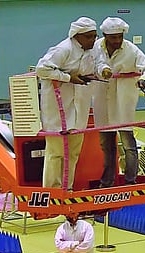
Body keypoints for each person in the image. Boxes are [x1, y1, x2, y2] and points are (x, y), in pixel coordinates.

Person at [92, 17, 145, 188]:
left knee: (128, 144)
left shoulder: (131, 50)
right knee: (107, 146)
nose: (117, 41)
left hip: (123, 102)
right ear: (105, 35)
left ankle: (130, 181)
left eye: (120, 37)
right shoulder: (95, 48)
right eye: (113, 37)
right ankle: (107, 182)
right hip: (102, 102)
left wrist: (144, 80)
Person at [36, 17, 101, 190]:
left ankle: (67, 188)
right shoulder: (63, 49)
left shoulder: (93, 51)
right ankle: (52, 191)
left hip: (80, 108)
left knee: (73, 153)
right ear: (77, 36)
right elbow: (41, 69)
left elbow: (98, 66)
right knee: (56, 153)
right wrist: (67, 77)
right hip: (58, 110)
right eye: (89, 37)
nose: (93, 40)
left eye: (95, 36)